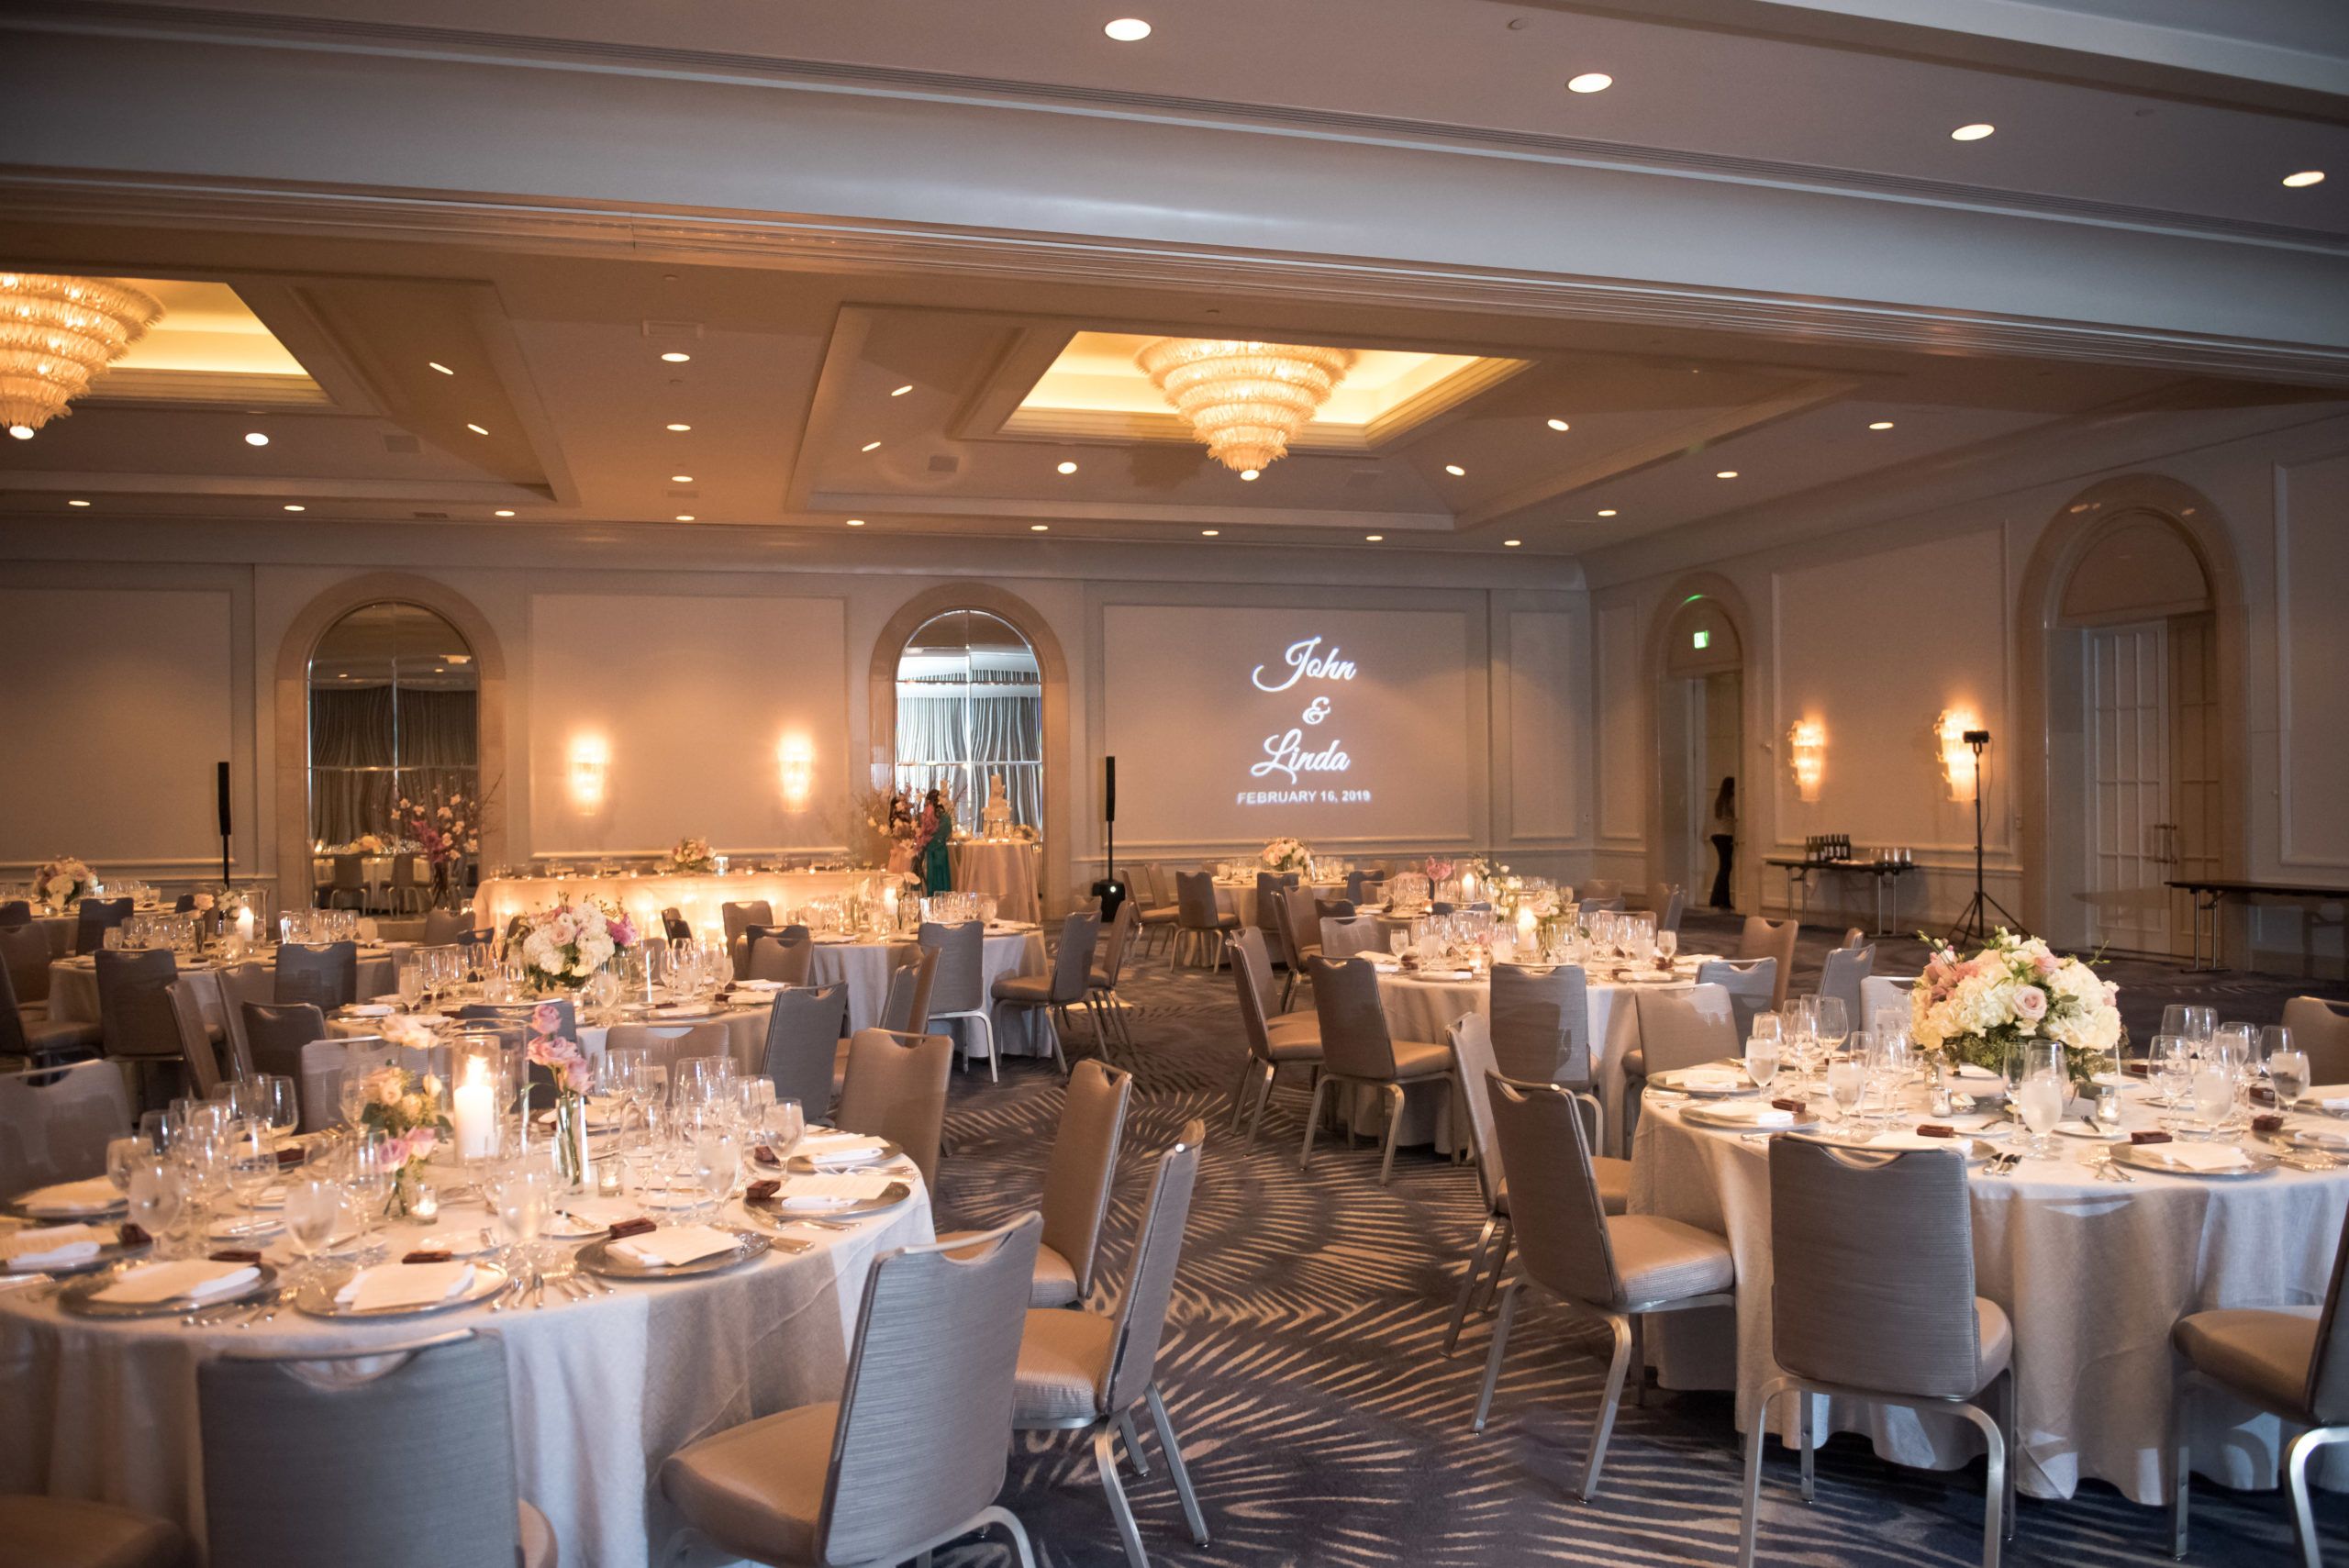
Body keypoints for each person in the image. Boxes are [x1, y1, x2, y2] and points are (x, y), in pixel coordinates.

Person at [918, 786, 954, 895]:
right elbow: (948, 835)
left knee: (931, 880)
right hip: (940, 852)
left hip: (929, 852)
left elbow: (923, 833)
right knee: (942, 879)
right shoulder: (945, 817)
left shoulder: (926, 816)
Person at [1709, 776, 1737, 910]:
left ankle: (1716, 898)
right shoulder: (1731, 800)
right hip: (1726, 835)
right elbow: (1737, 815)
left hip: (1716, 835)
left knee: (1723, 868)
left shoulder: (1720, 800)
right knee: (1726, 868)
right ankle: (1722, 900)